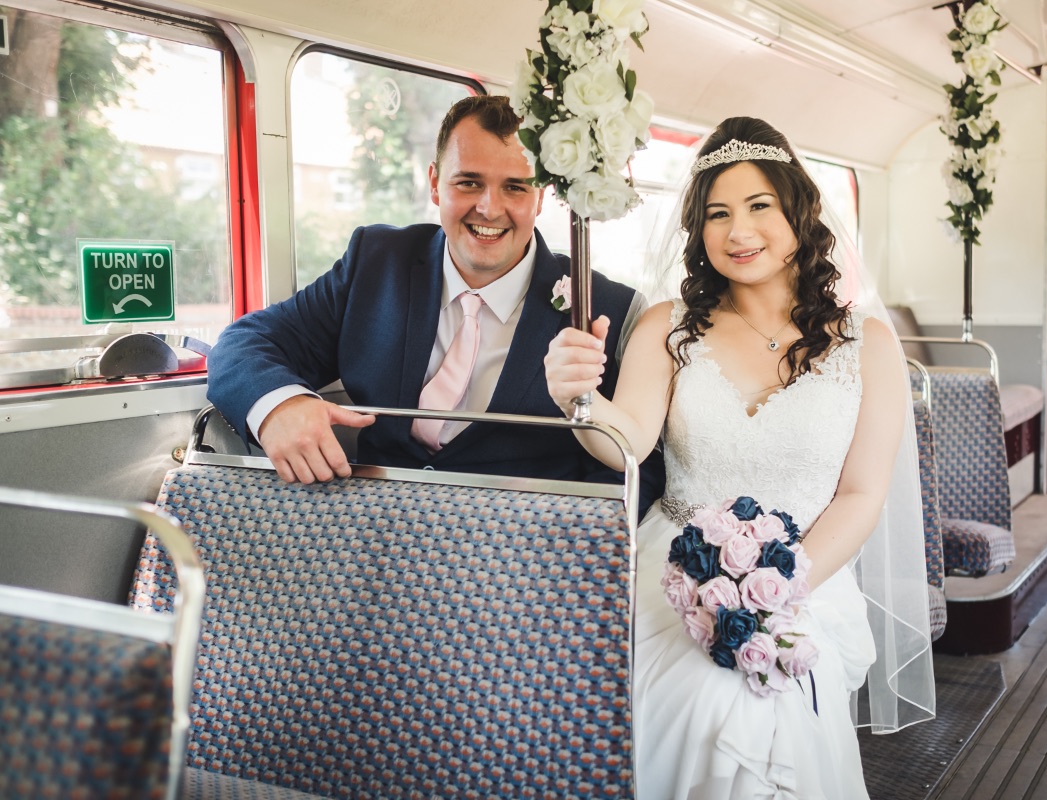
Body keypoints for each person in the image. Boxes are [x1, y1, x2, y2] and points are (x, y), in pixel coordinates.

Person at [545, 117, 935, 797]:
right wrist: (578, 399)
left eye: (759, 207)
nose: (738, 231)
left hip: (813, 569)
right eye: (717, 214)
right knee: (699, 700)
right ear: (698, 231)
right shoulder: (666, 326)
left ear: (799, 212)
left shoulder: (867, 344)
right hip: (678, 570)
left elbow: (862, 494)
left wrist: (783, 585)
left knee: (770, 703)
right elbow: (628, 441)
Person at [207, 94, 663, 516]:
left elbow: (641, 467)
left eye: (515, 188)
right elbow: (246, 341)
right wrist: (279, 407)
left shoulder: (608, 307)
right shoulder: (376, 262)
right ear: (434, 183)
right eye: (469, 182)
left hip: (523, 568)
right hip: (370, 540)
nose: (489, 208)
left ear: (541, 195)